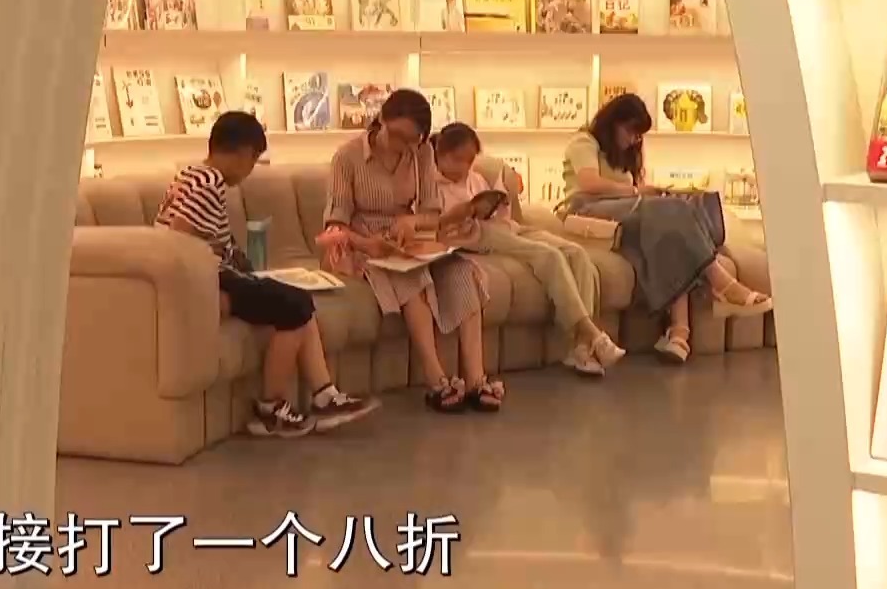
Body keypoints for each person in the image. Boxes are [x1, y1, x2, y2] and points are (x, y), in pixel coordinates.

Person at [155, 110, 379, 437]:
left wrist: (238, 260)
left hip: (216, 275)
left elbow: (205, 236)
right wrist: (208, 290)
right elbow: (179, 238)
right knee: (294, 306)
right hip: (208, 281)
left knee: (298, 302)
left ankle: (324, 394)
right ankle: (270, 408)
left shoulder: (190, 174)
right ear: (244, 153)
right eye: (253, 160)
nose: (250, 170)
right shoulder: (209, 182)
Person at [320, 89, 503, 413]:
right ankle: (437, 380)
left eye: (412, 140)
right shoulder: (347, 157)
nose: (404, 147)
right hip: (361, 242)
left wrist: (411, 221)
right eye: (398, 136)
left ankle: (476, 379)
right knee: (411, 277)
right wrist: (367, 244)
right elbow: (334, 227)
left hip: (409, 241)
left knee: (462, 271)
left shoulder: (421, 153)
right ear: (381, 119)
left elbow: (432, 213)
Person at [558, 94, 773, 364]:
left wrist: (645, 192)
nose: (634, 140)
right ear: (613, 123)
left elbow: (630, 192)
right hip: (588, 211)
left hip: (625, 214)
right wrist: (636, 191)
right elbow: (589, 184)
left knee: (675, 228)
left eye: (638, 135)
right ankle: (721, 285)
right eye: (631, 131)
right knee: (671, 211)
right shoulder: (584, 142)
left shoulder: (624, 154)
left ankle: (678, 334)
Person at [428, 122, 626, 376]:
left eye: (469, 161)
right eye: (457, 160)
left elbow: (499, 215)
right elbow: (435, 227)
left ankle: (579, 348)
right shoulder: (430, 186)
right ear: (440, 154)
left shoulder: (475, 178)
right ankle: (592, 334)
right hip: (476, 236)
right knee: (549, 256)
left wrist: (499, 204)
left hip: (503, 227)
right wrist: (464, 213)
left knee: (576, 253)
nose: (464, 168)